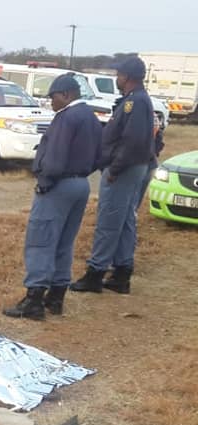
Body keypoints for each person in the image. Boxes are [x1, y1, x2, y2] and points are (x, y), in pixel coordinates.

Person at [3, 75, 102, 320]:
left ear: (66, 94)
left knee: (41, 241)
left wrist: (44, 183)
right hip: (81, 184)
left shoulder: (66, 117)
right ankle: (56, 298)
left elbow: (55, 158)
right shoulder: (90, 116)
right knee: (64, 242)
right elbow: (100, 155)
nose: (51, 102)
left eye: (53, 96)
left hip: (58, 185)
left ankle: (33, 301)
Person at [71, 57, 155, 295]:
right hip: (132, 166)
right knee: (125, 220)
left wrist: (114, 169)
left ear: (127, 77)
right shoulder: (136, 100)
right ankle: (121, 272)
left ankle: (95, 274)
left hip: (125, 168)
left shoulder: (135, 102)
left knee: (109, 221)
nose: (117, 79)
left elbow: (132, 140)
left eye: (118, 75)